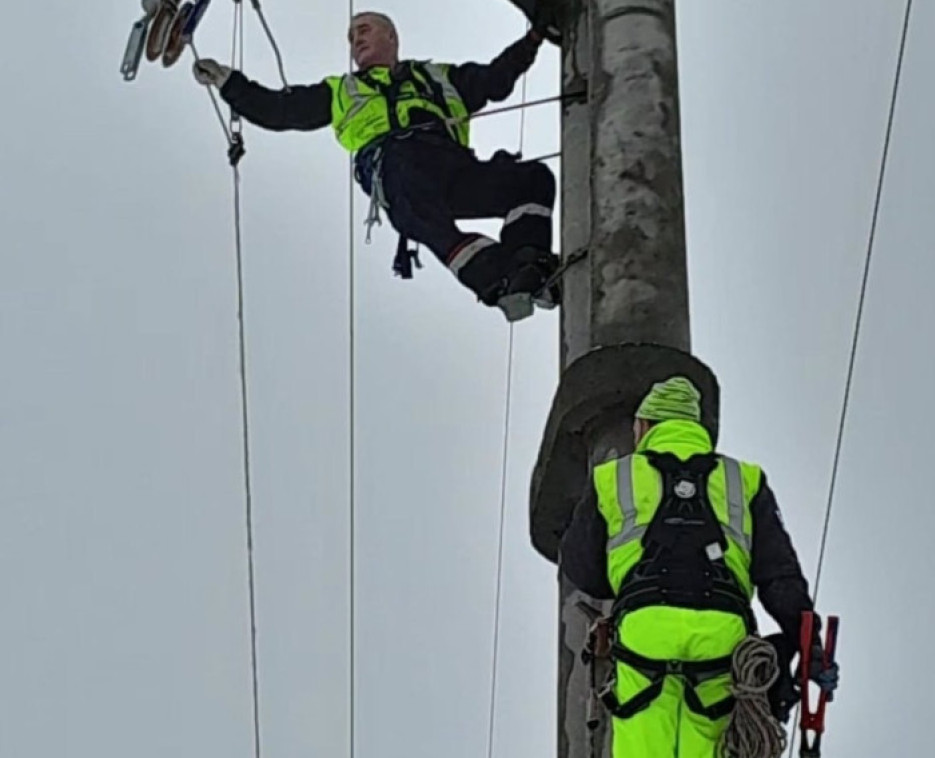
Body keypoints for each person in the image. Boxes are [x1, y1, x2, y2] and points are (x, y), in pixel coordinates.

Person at [193, 10, 561, 322]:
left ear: (391, 37)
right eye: (351, 37)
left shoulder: (438, 78)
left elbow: (494, 79)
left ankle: (529, 263)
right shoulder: (340, 90)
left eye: (364, 30)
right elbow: (278, 110)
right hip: (394, 164)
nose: (356, 41)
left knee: (531, 180)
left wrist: (535, 36)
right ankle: (498, 277)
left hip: (449, 162)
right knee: (417, 209)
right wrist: (228, 81)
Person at [559, 376, 839, 758]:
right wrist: (810, 647)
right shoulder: (746, 480)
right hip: (722, 635)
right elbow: (779, 576)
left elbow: (580, 565)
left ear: (645, 426)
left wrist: (627, 578)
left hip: (645, 628)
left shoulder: (614, 477)